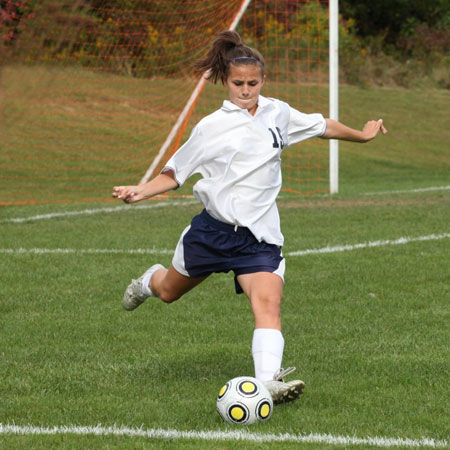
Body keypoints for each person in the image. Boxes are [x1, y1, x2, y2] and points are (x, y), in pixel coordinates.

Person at [112, 30, 387, 405]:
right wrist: (141, 190)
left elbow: (322, 125)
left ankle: (267, 383)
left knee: (268, 304)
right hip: (212, 233)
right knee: (168, 292)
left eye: (252, 84)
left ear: (263, 80)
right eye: (238, 83)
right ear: (226, 81)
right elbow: (175, 173)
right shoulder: (211, 127)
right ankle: (147, 281)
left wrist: (363, 135)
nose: (245, 90)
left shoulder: (279, 113)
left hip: (258, 237)